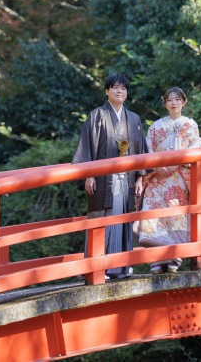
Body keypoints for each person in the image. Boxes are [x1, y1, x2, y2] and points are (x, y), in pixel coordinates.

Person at [72, 73, 146, 279]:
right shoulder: (97, 116)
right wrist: (89, 175)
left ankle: (121, 267)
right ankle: (96, 268)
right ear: (106, 91)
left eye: (123, 88)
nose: (119, 91)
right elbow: (87, 147)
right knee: (101, 219)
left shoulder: (134, 119)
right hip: (103, 180)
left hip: (127, 179)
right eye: (115, 87)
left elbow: (141, 150)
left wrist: (140, 177)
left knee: (123, 220)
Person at [137, 87, 201, 274]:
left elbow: (195, 147)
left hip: (179, 176)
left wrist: (174, 165)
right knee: (154, 215)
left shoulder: (190, 125)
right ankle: (156, 260)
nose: (173, 103)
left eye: (177, 99)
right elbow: (148, 148)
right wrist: (157, 166)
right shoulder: (156, 126)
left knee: (176, 217)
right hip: (158, 177)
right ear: (164, 103)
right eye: (169, 100)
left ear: (184, 102)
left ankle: (175, 257)